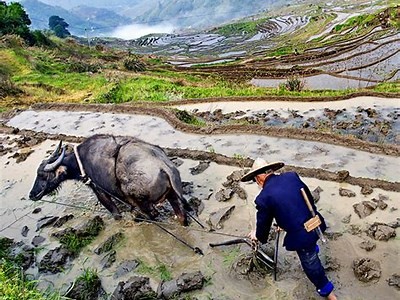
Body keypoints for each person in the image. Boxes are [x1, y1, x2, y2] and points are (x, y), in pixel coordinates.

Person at [241, 158, 337, 300]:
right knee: (311, 244)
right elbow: (304, 200)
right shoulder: (291, 176)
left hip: (302, 237)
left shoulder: (263, 197)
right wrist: (283, 223)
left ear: (259, 178)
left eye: (255, 181)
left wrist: (257, 235)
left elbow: (263, 227)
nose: (257, 184)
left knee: (310, 261)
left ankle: (328, 293)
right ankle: (314, 249)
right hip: (317, 222)